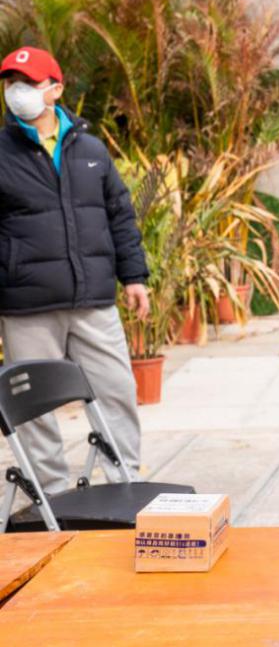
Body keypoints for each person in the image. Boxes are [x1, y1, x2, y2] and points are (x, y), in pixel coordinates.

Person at [0, 46, 149, 495]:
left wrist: (135, 278)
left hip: (94, 301)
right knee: (33, 410)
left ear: (56, 88)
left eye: (28, 83)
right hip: (26, 305)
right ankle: (51, 497)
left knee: (116, 392)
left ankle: (124, 484)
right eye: (11, 84)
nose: (17, 92)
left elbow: (119, 215)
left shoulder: (91, 150)